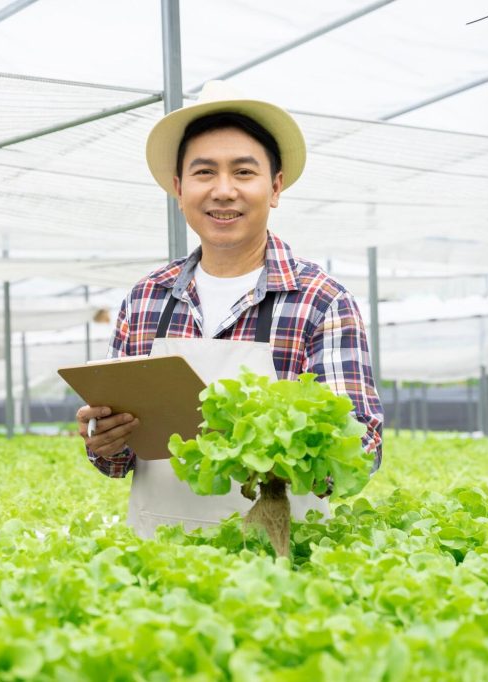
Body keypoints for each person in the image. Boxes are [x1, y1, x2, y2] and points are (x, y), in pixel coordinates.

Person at [76, 81, 383, 538]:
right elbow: (117, 462)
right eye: (204, 174)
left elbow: (361, 451)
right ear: (179, 190)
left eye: (243, 172)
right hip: (160, 553)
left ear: (275, 187)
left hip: (281, 558)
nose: (223, 191)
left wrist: (278, 441)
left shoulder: (320, 300)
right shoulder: (145, 299)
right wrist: (105, 440)